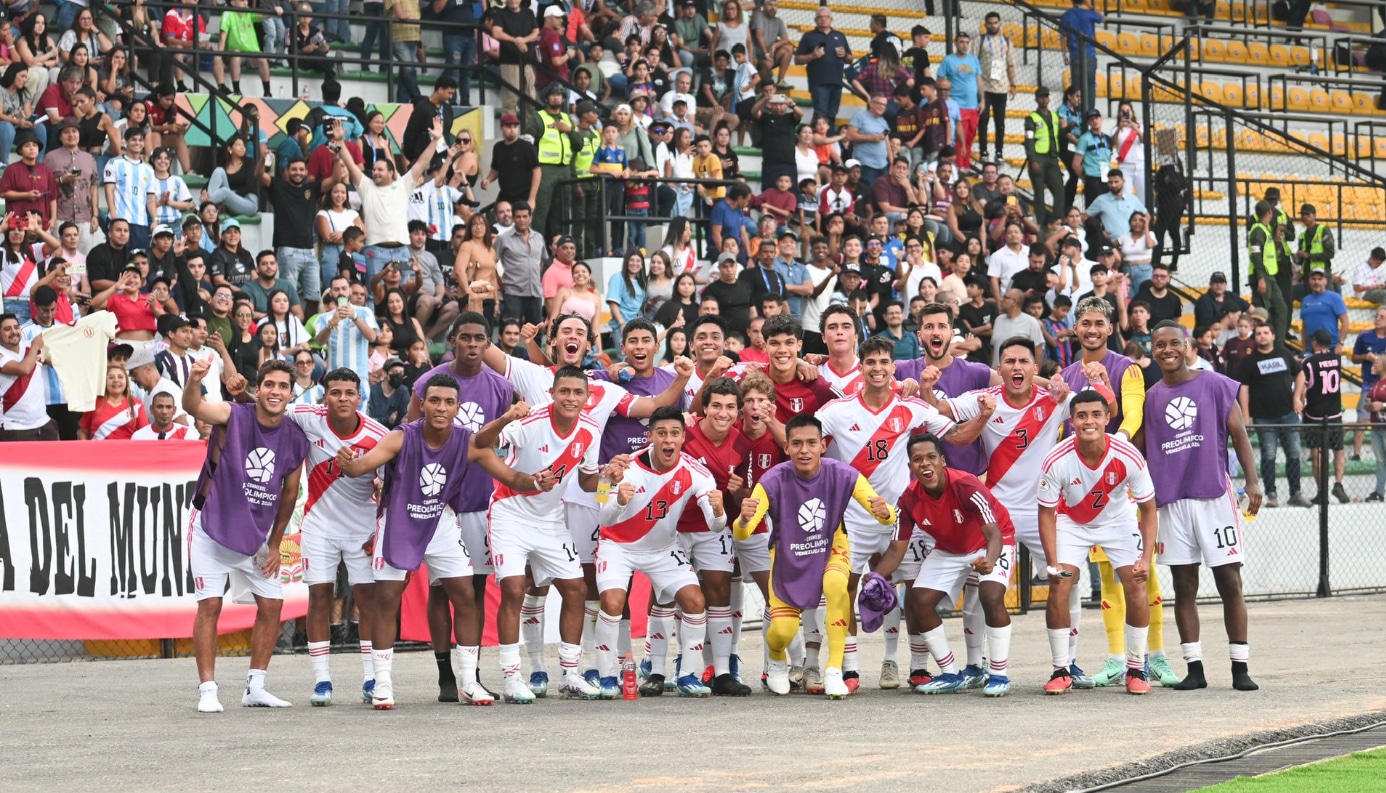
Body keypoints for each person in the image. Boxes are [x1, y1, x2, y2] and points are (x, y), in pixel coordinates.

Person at [335, 374, 545, 708]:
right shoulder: (401, 437)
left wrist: (536, 482)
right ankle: (383, 683)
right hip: (399, 521)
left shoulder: (468, 443)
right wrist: (348, 466)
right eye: (434, 401)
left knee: (464, 594)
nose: (441, 408)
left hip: (440, 522)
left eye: (449, 402)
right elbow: (361, 466)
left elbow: (510, 476)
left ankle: (468, 682)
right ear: (423, 404)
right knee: (386, 600)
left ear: (458, 408)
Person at [817, 337, 974, 690]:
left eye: (883, 362)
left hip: (904, 517)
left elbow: (959, 438)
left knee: (914, 590)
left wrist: (986, 414)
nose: (877, 368)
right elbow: (805, 444)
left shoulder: (913, 407)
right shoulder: (836, 410)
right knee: (845, 591)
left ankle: (911, 665)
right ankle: (851, 669)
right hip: (853, 517)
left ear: (893, 367)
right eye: (870, 362)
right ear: (861, 367)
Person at [733, 414, 894, 698]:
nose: (804, 450)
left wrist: (885, 512)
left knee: (836, 584)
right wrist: (744, 521)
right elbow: (742, 533)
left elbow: (884, 515)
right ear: (787, 448)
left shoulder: (843, 474)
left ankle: (833, 670)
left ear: (823, 445)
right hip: (787, 559)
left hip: (832, 547)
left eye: (811, 443)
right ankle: (776, 660)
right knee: (781, 631)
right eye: (796, 444)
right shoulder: (771, 480)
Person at [182, 356, 309, 713]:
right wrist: (194, 381)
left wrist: (274, 544)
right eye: (269, 384)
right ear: (259, 388)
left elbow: (289, 494)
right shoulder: (233, 414)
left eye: (283, 386)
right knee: (210, 605)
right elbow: (194, 406)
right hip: (212, 524)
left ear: (290, 393)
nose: (276, 391)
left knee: (272, 605)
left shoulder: (295, 439)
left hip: (256, 534)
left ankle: (256, 687)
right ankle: (208, 689)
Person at [478, 367, 607, 702]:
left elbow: (587, 482)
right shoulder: (531, 419)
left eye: (577, 393)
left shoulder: (590, 430)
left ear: (586, 397)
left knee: (576, 590)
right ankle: (511, 677)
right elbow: (482, 443)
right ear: (552, 393)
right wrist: (506, 417)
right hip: (511, 513)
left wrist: (611, 477)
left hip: (550, 520)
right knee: (514, 590)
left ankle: (570, 674)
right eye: (564, 391)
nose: (571, 398)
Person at [1143, 321, 1261, 691]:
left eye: (1173, 343)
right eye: (1159, 345)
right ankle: (1194, 668)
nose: (1167, 350)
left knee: (1230, 581)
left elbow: (1239, 434)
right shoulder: (1151, 396)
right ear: (1153, 350)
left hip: (1213, 496)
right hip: (1172, 501)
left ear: (1188, 345)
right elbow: (1145, 449)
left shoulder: (1213, 383)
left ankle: (1240, 668)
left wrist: (1253, 481)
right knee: (1183, 585)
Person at [871, 432, 1016, 696]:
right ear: (910, 467)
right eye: (917, 460)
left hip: (992, 542)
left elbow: (994, 533)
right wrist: (876, 578)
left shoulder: (966, 485)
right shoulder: (908, 499)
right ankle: (951, 672)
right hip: (949, 549)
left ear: (942, 460)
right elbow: (895, 549)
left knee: (990, 595)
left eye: (930, 457)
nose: (925, 464)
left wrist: (990, 560)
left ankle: (999, 675)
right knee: (918, 600)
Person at [594, 407, 724, 698]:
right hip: (617, 546)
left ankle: (688, 676)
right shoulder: (625, 465)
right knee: (613, 602)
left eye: (674, 434)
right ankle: (606, 677)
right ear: (650, 435)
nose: (668, 440)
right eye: (661, 433)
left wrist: (718, 510)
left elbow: (716, 526)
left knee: (695, 600)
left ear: (683, 437)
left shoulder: (695, 472)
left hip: (663, 549)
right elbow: (603, 514)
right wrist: (616, 498)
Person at [1036, 392, 1158, 695]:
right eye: (1081, 415)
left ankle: (1135, 668)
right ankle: (1061, 669)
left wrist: (1146, 555)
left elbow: (1149, 508)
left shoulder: (1128, 455)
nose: (1088, 421)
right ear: (1072, 420)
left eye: (1095, 415)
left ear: (1106, 419)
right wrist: (1052, 562)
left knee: (1135, 582)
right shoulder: (1056, 459)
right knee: (1060, 584)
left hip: (1118, 521)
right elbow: (1046, 513)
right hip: (1071, 522)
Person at [286, 369, 387, 705]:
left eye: (349, 393)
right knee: (319, 598)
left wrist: (380, 526)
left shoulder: (379, 434)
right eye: (335, 392)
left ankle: (373, 678)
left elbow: (390, 486)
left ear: (360, 398)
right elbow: (266, 411)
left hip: (363, 530)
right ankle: (322, 681)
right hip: (320, 527)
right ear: (324, 396)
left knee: (368, 602)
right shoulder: (306, 417)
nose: (342, 398)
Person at [335, 116, 440, 282]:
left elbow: (422, 162)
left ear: (391, 173)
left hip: (402, 252)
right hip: (374, 252)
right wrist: (340, 142)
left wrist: (436, 140)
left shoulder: (402, 185)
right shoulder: (366, 186)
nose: (375, 172)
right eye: (374, 169)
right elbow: (351, 165)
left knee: (402, 291)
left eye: (380, 170)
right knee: (371, 293)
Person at [1234, 321, 1309, 508]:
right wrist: (1246, 414)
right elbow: (1244, 388)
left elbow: (1300, 374)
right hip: (1263, 416)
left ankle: (1295, 493)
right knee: (1268, 455)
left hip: (1288, 414)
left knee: (1293, 453)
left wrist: (1297, 398)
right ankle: (1271, 494)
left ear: (1273, 335)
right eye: (1258, 333)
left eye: (1266, 332)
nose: (1262, 336)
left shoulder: (1284, 354)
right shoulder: (1249, 361)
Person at [1298, 328, 1350, 505]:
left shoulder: (1309, 362)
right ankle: (1339, 483)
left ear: (1314, 342)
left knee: (1317, 453)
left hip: (1315, 414)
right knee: (1339, 450)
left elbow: (1304, 386)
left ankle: (1322, 490)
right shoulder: (1337, 360)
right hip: (1335, 412)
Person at [794, 8, 851, 129]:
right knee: (820, 114)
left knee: (832, 115)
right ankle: (815, 142)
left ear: (831, 19)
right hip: (819, 82)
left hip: (837, 81)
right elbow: (797, 60)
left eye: (826, 17)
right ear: (815, 20)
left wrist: (845, 55)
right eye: (820, 17)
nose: (823, 19)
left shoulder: (840, 35)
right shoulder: (809, 36)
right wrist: (812, 56)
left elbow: (850, 58)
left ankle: (828, 144)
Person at [494, 201, 544, 326]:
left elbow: (542, 260)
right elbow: (491, 263)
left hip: (535, 292)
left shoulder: (538, 237)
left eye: (525, 216)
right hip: (513, 292)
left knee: (535, 331)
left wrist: (537, 277)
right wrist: (500, 282)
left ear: (530, 218)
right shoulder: (503, 238)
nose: (522, 220)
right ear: (513, 218)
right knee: (511, 329)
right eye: (518, 217)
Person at [936, 33, 980, 171]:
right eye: (961, 42)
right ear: (956, 43)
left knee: (969, 138)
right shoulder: (948, 60)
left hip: (973, 105)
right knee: (959, 138)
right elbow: (940, 79)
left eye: (967, 42)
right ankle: (959, 165)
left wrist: (982, 99)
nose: (964, 45)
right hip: (958, 104)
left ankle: (966, 165)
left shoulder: (974, 60)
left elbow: (979, 79)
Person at [1025, 86, 1065, 224]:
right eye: (1041, 97)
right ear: (1036, 99)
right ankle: (1042, 223)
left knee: (1059, 190)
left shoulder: (1055, 115)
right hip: (1039, 157)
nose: (1044, 99)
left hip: (1052, 157)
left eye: (1046, 96)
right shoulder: (1031, 118)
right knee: (1039, 193)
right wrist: (1033, 160)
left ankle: (1058, 220)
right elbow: (1029, 140)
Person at [1060, 0, 1103, 113]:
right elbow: (1102, 18)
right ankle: (1091, 113)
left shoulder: (1066, 15)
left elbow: (1063, 36)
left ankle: (1078, 113)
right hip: (1089, 54)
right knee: (1090, 87)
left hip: (1075, 56)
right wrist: (1089, 5)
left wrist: (1064, 54)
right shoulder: (1087, 13)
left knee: (1077, 88)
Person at [1299, 269, 1349, 352]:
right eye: (1313, 279)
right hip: (1310, 349)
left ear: (1326, 281)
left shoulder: (1335, 297)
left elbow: (1345, 322)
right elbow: (1304, 327)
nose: (1316, 282)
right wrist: (1304, 349)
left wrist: (1340, 344)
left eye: (1320, 279)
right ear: (1309, 281)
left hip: (1330, 347)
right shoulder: (1305, 300)